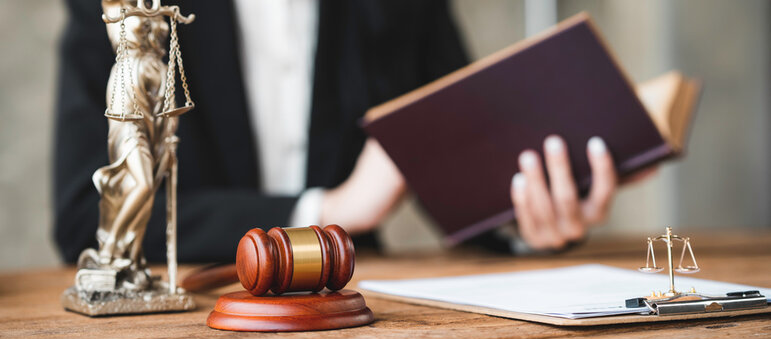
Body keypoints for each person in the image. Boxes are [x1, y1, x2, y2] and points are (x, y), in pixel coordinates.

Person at [54, 0, 622, 263]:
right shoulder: (128, 8)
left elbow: (463, 167)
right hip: (184, 326)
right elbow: (89, 215)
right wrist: (333, 208)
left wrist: (533, 214)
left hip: (359, 316)